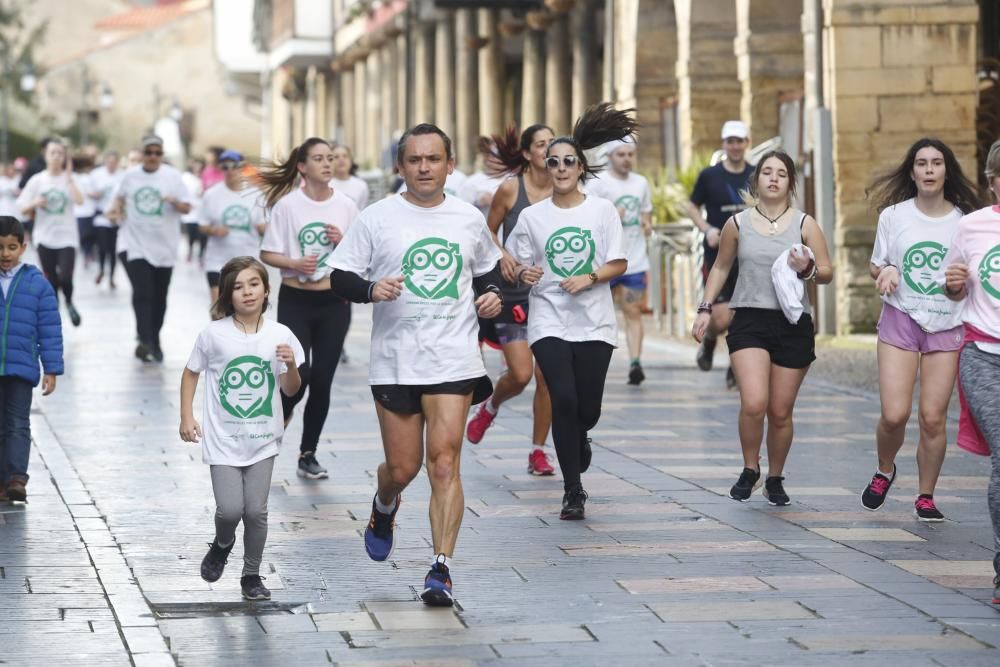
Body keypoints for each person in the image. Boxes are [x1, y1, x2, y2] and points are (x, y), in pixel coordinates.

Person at [329, 123, 503, 606]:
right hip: (396, 361)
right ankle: (385, 503)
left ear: (449, 164)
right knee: (404, 468)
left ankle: (440, 569)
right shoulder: (377, 218)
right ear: (400, 167)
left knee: (444, 462)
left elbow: (488, 270)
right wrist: (370, 290)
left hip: (453, 356)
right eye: (414, 160)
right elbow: (339, 276)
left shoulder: (468, 218)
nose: (424, 168)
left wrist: (490, 297)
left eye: (433, 159)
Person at [504, 103, 634, 520]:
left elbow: (619, 263)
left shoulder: (601, 210)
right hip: (549, 318)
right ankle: (573, 490)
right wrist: (523, 273)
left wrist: (590, 278)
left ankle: (581, 437)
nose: (560, 168)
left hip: (594, 322)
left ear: (580, 168)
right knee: (562, 397)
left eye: (568, 162)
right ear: (545, 166)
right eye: (553, 161)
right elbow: (517, 263)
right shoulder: (531, 216)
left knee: (587, 409)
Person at [692, 150, 832, 506]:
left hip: (792, 322)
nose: (773, 178)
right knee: (754, 402)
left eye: (781, 173)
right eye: (766, 172)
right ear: (755, 181)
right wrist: (705, 309)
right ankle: (750, 467)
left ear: (790, 183)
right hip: (749, 320)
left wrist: (807, 268)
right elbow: (721, 268)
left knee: (781, 412)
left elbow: (827, 272)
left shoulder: (805, 224)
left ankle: (775, 477)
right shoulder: (737, 224)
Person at [862, 138, 982, 521]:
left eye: (936, 163)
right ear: (911, 172)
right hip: (901, 319)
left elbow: (972, 279)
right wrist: (887, 272)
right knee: (894, 414)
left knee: (932, 416)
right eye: (921, 163)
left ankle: (926, 495)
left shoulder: (965, 222)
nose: (929, 170)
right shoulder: (894, 217)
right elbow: (876, 265)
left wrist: (957, 283)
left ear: (947, 171)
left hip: (946, 324)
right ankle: (885, 469)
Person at [179, 256, 303, 601]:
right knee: (230, 510)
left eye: (254, 284)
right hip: (223, 439)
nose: (247, 292)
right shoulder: (213, 335)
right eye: (238, 286)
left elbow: (292, 390)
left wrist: (290, 365)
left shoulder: (282, 335)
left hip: (264, 439)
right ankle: (222, 543)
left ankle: (251, 575)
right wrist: (186, 416)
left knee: (256, 511)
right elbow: (191, 373)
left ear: (266, 289)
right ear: (226, 295)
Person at [258, 138, 357, 480]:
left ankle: (308, 453)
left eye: (331, 157)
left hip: (334, 301)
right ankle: (272, 437)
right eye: (319, 158)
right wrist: (295, 263)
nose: (327, 163)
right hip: (296, 299)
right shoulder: (288, 206)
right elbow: (267, 254)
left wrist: (343, 242)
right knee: (298, 376)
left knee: (324, 380)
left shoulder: (346, 204)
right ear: (302, 166)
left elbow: (360, 254)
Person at [465, 123, 556, 476]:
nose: (548, 151)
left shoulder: (565, 189)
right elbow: (486, 232)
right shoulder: (509, 190)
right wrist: (502, 253)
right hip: (514, 293)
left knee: (546, 377)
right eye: (541, 144)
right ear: (527, 153)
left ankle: (538, 451)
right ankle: (490, 406)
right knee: (519, 375)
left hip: (552, 295)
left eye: (553, 143)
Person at [942, 138, 1000, 605]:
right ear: (992, 183)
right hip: (983, 354)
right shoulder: (972, 228)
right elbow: (954, 286)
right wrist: (954, 284)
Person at [109, 135, 193, 362]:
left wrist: (174, 202)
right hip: (136, 243)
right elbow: (118, 199)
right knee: (143, 292)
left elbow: (187, 207)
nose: (153, 156)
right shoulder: (130, 176)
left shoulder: (173, 177)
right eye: (149, 152)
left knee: (160, 297)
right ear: (143, 154)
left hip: (165, 247)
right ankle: (145, 339)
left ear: (162, 155)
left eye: (158, 153)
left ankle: (155, 337)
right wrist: (117, 212)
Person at [687, 120, 755, 389]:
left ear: (747, 143)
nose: (735, 146)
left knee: (744, 313)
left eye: (740, 141)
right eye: (730, 141)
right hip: (718, 255)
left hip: (748, 255)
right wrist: (707, 229)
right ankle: (710, 339)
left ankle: (735, 365)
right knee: (721, 317)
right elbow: (692, 205)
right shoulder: (710, 175)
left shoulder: (756, 174)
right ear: (724, 144)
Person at [0, 217, 63, 503]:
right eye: (0, 248)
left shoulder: (36, 283)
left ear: (23, 247)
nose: (5, 254)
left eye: (11, 247)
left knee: (16, 422)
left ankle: (15, 478)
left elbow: (49, 327)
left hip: (21, 367)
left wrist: (51, 367)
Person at [588, 137, 654, 385]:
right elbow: (585, 214)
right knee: (598, 313)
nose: (626, 159)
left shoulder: (641, 183)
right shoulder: (597, 183)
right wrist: (611, 216)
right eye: (621, 154)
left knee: (633, 311)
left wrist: (647, 224)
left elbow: (646, 210)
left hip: (634, 258)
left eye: (630, 154)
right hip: (604, 261)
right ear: (610, 156)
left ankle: (635, 362)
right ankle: (592, 361)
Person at [16, 139, 85, 327]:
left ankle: (69, 302)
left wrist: (70, 178)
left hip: (67, 237)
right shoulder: (37, 180)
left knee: (66, 276)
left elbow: (80, 201)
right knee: (50, 278)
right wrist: (34, 203)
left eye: (60, 153)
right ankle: (54, 312)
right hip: (44, 237)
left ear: (64, 157)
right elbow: (21, 207)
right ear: (45, 156)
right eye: (52, 153)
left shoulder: (70, 179)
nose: (56, 156)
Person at [200, 150, 266, 303]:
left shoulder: (255, 194)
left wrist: (270, 230)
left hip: (247, 261)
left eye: (234, 166)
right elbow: (202, 226)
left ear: (243, 167)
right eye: (225, 166)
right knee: (218, 310)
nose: (230, 170)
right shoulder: (211, 194)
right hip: (217, 261)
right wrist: (213, 230)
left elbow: (263, 224)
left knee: (244, 310)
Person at [90, 151, 124, 288]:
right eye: (109, 162)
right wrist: (96, 194)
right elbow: (88, 193)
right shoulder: (96, 174)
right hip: (101, 218)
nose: (111, 165)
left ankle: (112, 278)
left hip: (115, 218)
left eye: (114, 162)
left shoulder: (122, 176)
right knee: (102, 248)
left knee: (113, 249)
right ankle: (101, 270)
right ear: (105, 162)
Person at [73, 155, 98, 267]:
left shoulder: (83, 178)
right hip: (81, 212)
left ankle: (87, 254)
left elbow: (93, 193)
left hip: (85, 211)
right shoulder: (77, 178)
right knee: (85, 236)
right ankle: (87, 254)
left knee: (86, 236)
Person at [329, 144, 370, 210]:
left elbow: (362, 210)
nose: (341, 160)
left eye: (345, 156)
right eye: (336, 157)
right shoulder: (325, 184)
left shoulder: (361, 185)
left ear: (351, 160)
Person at [182, 158, 207, 264]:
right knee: (191, 235)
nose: (197, 169)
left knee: (203, 236)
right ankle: (190, 252)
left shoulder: (205, 179)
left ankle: (201, 255)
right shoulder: (187, 178)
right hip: (191, 213)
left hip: (203, 212)